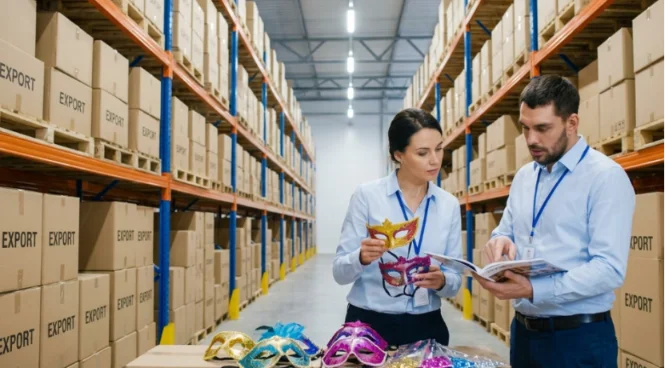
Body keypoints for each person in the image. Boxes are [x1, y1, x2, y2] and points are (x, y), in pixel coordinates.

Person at [474, 75, 635, 367]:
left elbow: (609, 269)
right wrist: (500, 241)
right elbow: (506, 228)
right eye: (525, 128)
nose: (531, 139)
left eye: (542, 128)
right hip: (523, 333)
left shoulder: (605, 178)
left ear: (572, 123)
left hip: (578, 339)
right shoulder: (525, 177)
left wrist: (535, 289)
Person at [332, 108, 463, 347]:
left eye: (439, 148)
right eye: (423, 153)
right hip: (369, 326)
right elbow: (339, 272)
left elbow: (455, 282)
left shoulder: (449, 205)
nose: (435, 160)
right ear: (398, 155)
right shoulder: (367, 196)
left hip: (427, 325)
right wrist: (360, 257)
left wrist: (442, 281)